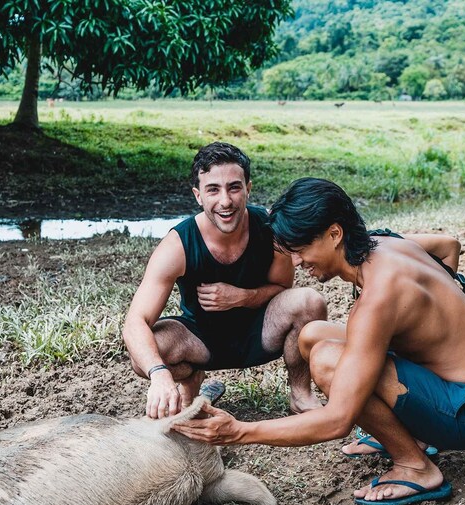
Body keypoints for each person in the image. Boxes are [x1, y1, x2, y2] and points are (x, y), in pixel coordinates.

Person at [173, 177, 465, 505]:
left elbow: (338, 420)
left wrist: (239, 431)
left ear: (335, 234)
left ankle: (416, 466)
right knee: (312, 335)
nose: (297, 263)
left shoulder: (379, 298)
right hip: (446, 384)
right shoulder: (380, 243)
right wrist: (436, 325)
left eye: (301, 250)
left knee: (328, 362)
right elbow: (448, 245)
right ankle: (412, 430)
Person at [122, 143, 327, 420]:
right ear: (198, 196)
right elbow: (136, 321)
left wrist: (241, 296)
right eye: (213, 190)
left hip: (260, 331)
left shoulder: (268, 228)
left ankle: (301, 395)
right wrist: (159, 375)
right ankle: (189, 384)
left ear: (248, 188)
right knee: (145, 353)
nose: (225, 201)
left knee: (309, 302)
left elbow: (282, 289)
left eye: (234, 187)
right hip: (201, 341)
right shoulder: (177, 245)